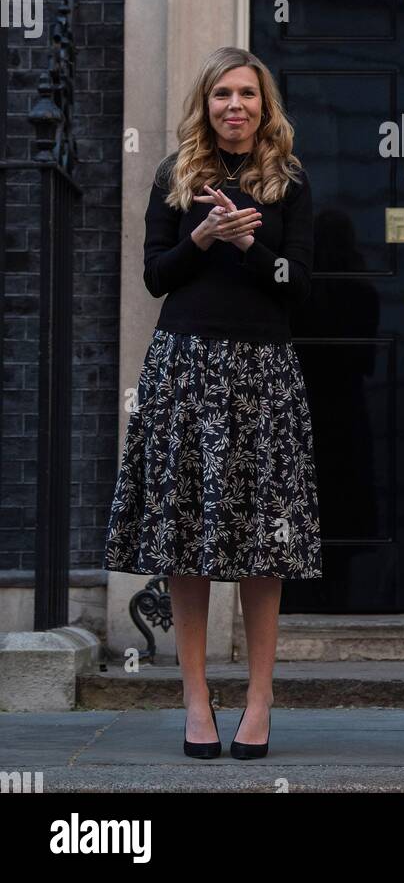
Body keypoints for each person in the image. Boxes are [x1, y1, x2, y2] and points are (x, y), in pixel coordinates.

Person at [103, 46, 321, 760]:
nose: (235, 106)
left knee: (264, 545)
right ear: (206, 104)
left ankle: (258, 700)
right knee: (185, 538)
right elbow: (155, 277)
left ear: (265, 107)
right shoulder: (176, 177)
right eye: (223, 94)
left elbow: (298, 283)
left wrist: (248, 241)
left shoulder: (288, 181)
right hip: (186, 367)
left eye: (248, 96)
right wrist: (201, 235)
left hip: (264, 373)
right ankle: (196, 698)